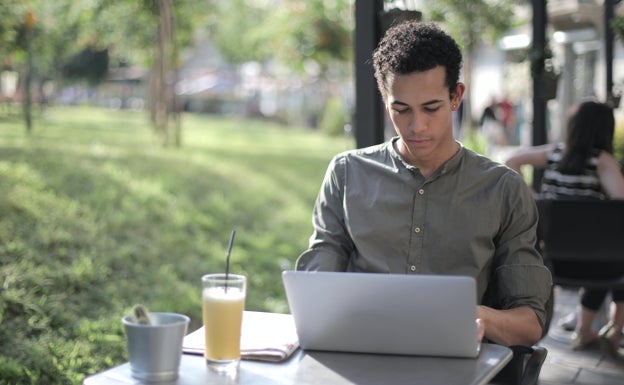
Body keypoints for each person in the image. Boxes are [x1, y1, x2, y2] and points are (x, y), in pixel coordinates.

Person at [296, 21, 552, 348]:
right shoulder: (347, 173)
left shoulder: (502, 189)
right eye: (401, 110)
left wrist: (476, 317)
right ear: (385, 99)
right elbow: (316, 290)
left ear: (456, 96)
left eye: (431, 108)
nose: (417, 126)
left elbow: (529, 324)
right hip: (362, 356)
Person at [505, 100, 624, 356]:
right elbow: (620, 202)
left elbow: (512, 160)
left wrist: (533, 198)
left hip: (552, 261)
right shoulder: (602, 161)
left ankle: (588, 329)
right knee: (618, 256)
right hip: (598, 266)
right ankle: (606, 329)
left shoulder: (555, 153)